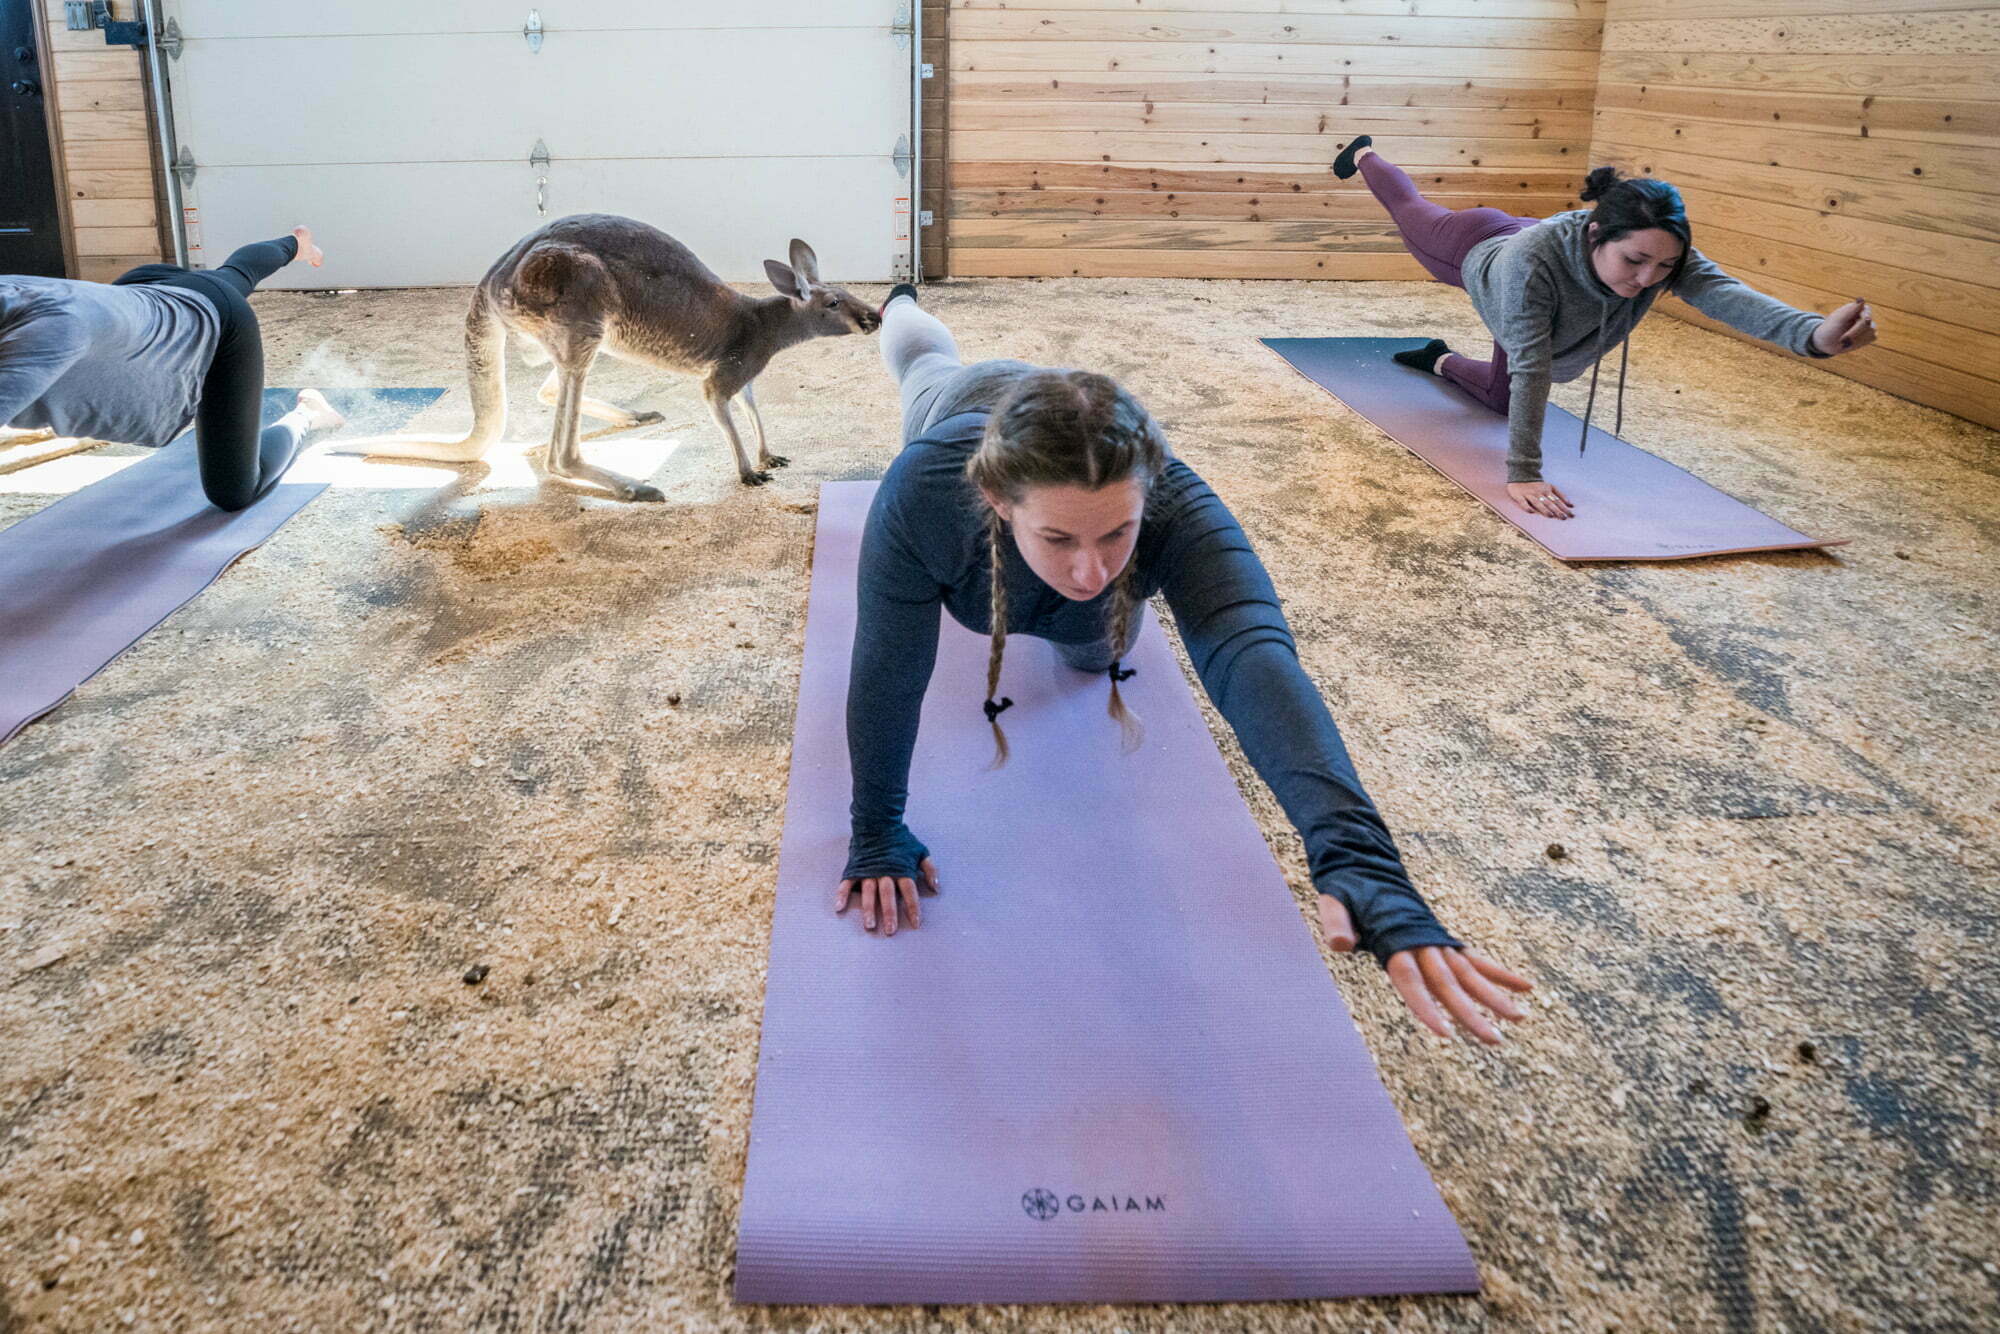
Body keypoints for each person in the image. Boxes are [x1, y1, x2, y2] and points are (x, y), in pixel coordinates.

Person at [835, 286, 1534, 1045]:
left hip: (1068, 491)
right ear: (998, 500)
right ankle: (902, 301)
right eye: (1060, 539)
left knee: (1093, 652)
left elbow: (1251, 654)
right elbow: (887, 667)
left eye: (1116, 535)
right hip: (964, 405)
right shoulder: (928, 491)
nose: (1090, 570)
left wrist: (1358, 855)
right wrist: (876, 828)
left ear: (1147, 499)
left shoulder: (1176, 504)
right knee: (926, 361)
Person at [1336, 137, 1877, 520]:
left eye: (1664, 268)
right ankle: (1364, 153)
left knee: (1502, 403)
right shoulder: (1532, 265)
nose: (1648, 279)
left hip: (1532, 298)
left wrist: (1813, 336)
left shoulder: (1657, 248)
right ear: (1597, 234)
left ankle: (1437, 358)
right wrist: (1523, 471)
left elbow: (1724, 295)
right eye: (1635, 261)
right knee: (1410, 209)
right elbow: (1532, 364)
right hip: (1476, 248)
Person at [0, 227, 344, 510]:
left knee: (234, 491)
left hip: (219, 326)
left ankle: (309, 414)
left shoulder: (50, 336)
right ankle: (295, 244)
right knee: (232, 276)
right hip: (147, 290)